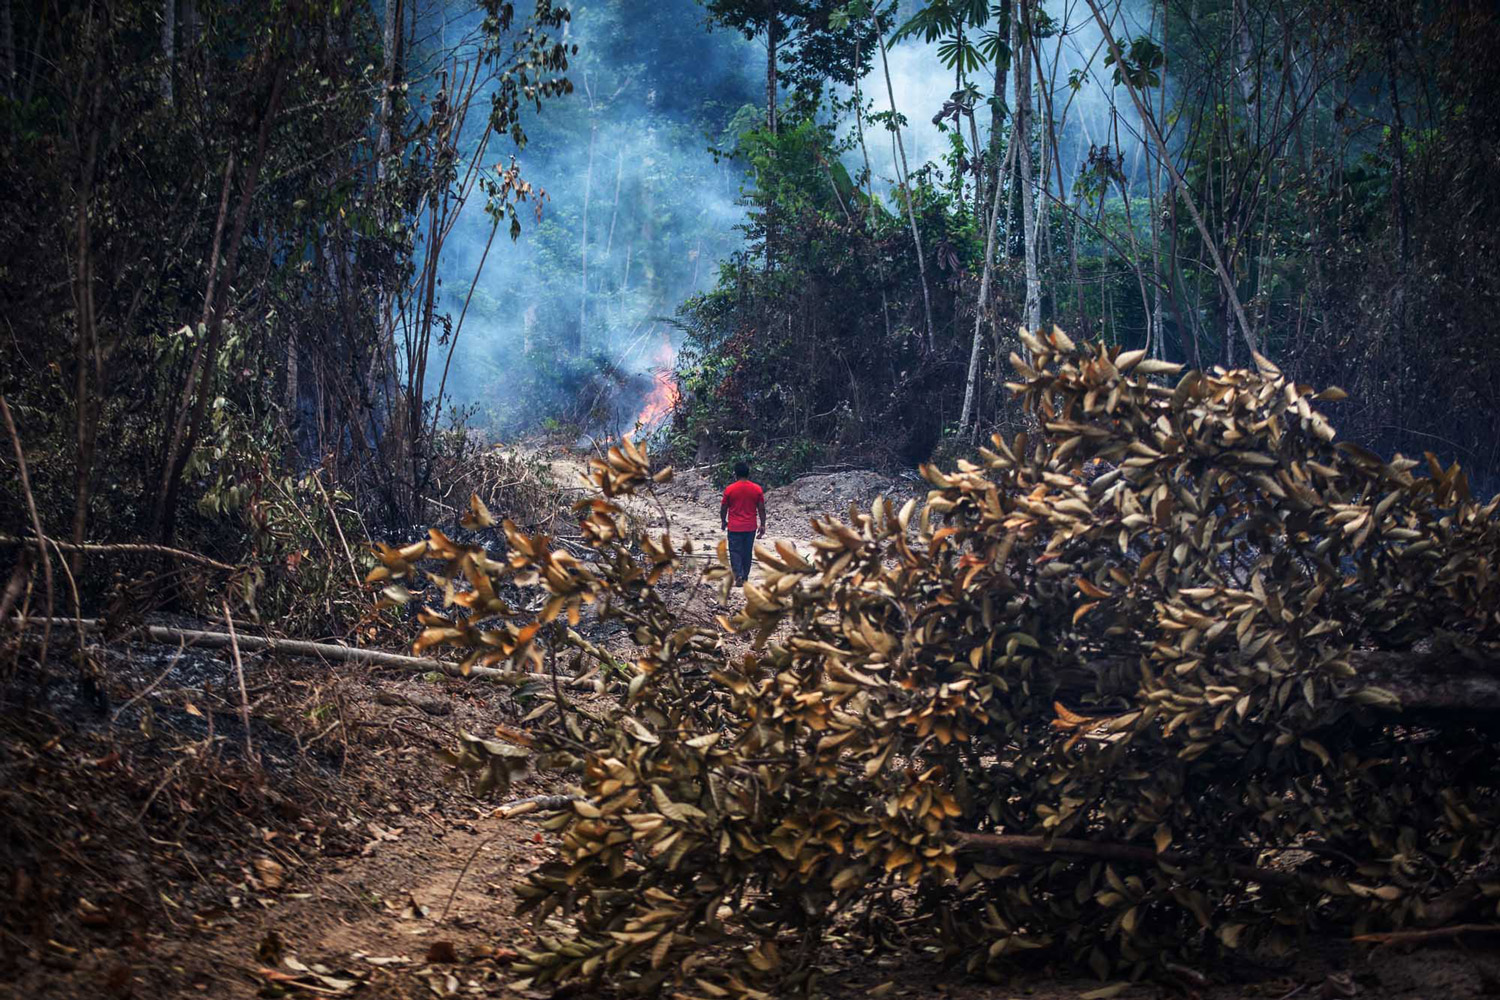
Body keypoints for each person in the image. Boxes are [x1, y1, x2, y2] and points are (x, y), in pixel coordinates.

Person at [720, 460, 765, 586]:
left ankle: (738, 574)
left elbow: (724, 507)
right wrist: (762, 524)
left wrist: (723, 521)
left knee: (735, 552)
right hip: (750, 527)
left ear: (735, 474)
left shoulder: (730, 489)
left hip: (734, 527)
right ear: (748, 473)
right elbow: (761, 508)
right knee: (747, 552)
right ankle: (745, 576)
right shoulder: (757, 489)